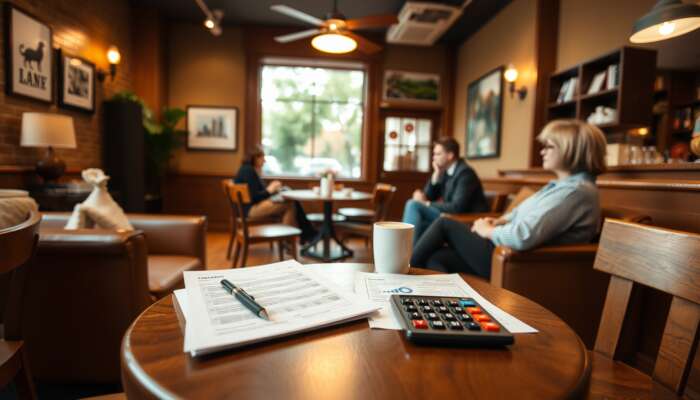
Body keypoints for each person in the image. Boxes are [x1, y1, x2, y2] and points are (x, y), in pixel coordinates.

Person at [410, 119, 607, 279]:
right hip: (501, 251)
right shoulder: (561, 187)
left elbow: (522, 236)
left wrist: (489, 230)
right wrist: (501, 221)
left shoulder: (574, 193)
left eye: (549, 146)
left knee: (445, 224)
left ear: (571, 150)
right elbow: (519, 214)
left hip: (516, 259)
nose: (542, 151)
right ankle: (443, 308)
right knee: (436, 258)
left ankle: (399, 273)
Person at [402, 137, 489, 245]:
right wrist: (435, 175)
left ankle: (406, 254)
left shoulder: (465, 174)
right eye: (434, 154)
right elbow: (428, 196)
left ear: (450, 155)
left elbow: (457, 208)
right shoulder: (446, 171)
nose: (433, 158)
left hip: (464, 219)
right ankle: (408, 254)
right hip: (447, 215)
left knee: (413, 205)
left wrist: (425, 203)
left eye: (438, 154)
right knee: (418, 218)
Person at [234, 146, 316, 242]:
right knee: (290, 204)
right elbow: (254, 197)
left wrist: (273, 190)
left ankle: (302, 235)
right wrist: (270, 190)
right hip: (250, 210)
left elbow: (256, 193)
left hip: (249, 208)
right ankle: (294, 238)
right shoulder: (248, 171)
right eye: (262, 157)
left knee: (289, 198)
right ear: (255, 157)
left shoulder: (248, 169)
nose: (264, 161)